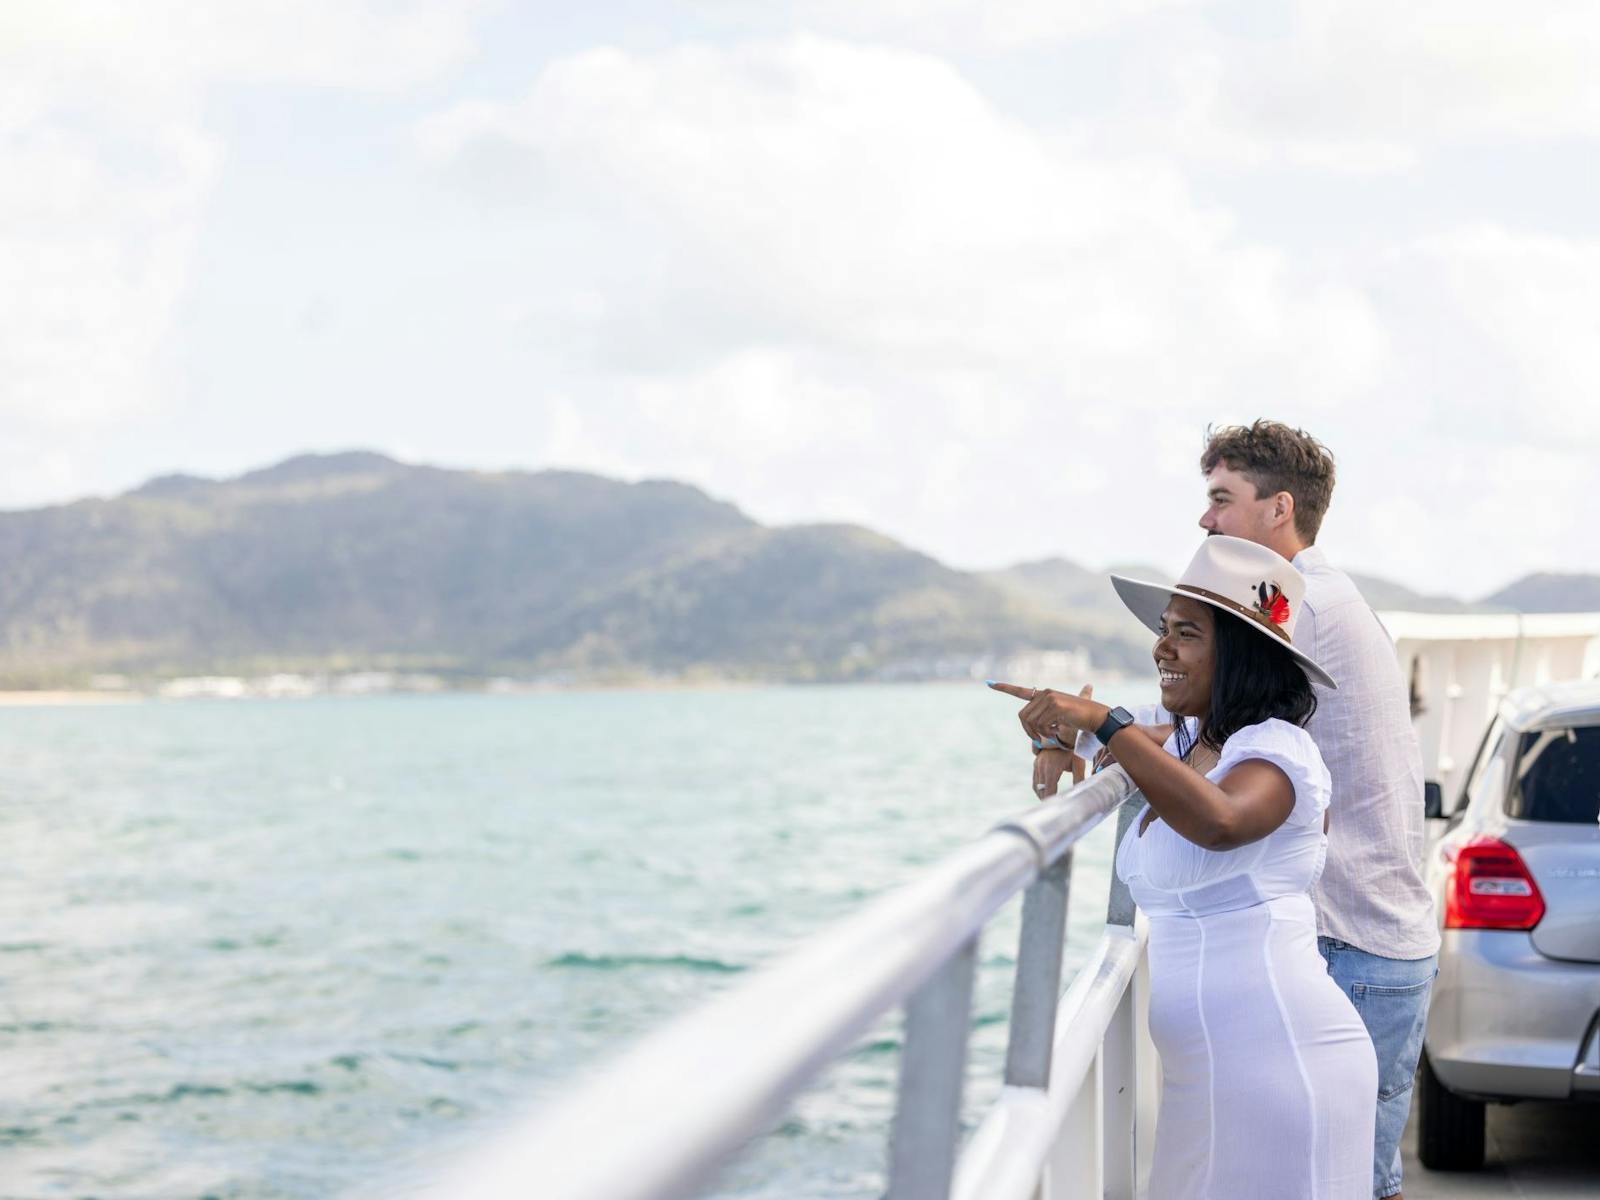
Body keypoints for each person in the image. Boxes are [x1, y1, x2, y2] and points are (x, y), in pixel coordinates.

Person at [994, 534, 1377, 1199]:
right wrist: (1055, 733)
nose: (1160, 648)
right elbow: (1107, 732)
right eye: (1163, 630)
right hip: (1205, 1072)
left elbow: (1219, 821)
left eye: (1186, 634)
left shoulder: (1277, 750)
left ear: (1238, 654)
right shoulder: (1198, 743)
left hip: (1280, 1063)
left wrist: (1106, 726)